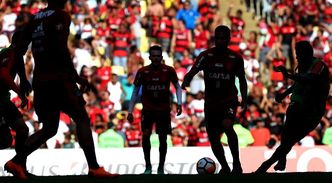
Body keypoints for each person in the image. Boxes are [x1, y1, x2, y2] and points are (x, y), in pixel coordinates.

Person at [4, 0, 118, 179]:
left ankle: (17, 161)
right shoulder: (61, 16)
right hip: (59, 79)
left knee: (49, 128)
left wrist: (24, 80)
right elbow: (60, 49)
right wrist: (76, 76)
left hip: (40, 82)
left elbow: (17, 50)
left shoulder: (34, 19)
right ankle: (94, 168)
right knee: (81, 117)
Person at [181, 25, 248, 174]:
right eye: (218, 38)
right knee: (213, 136)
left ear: (229, 39)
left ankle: (237, 164)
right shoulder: (206, 56)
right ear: (214, 38)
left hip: (228, 100)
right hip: (211, 102)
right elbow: (193, 70)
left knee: (227, 125)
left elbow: (242, 80)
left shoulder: (235, 58)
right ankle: (224, 166)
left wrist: (244, 98)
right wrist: (186, 80)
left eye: (224, 38)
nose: (221, 41)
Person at [255, 41, 330, 173]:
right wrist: (284, 94)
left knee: (289, 140)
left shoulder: (318, 65)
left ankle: (269, 164)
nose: (296, 57)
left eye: (298, 54)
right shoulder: (301, 66)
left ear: (307, 54)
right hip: (297, 106)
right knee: (287, 136)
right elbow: (298, 84)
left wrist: (288, 75)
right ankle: (269, 165)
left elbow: (309, 80)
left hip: (312, 110)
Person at [127, 45, 182, 175]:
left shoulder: (168, 70)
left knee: (163, 139)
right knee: (145, 136)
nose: (156, 58)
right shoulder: (143, 71)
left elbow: (178, 87)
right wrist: (130, 110)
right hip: (148, 110)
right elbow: (135, 91)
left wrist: (179, 103)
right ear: (150, 57)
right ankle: (148, 167)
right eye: (154, 56)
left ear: (162, 57)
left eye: (158, 56)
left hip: (163, 110)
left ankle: (161, 168)